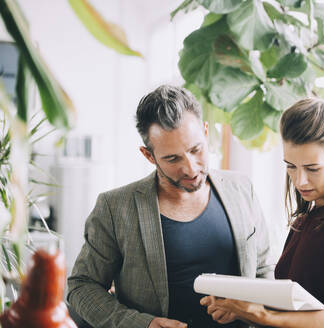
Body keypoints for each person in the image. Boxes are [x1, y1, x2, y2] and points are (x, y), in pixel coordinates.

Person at [67, 85, 274, 328]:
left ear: (205, 132)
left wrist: (249, 309)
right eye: (172, 158)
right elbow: (82, 286)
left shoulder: (242, 189)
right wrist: (142, 324)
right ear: (149, 156)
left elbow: (264, 271)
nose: (191, 168)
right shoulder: (115, 208)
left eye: (196, 150)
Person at [201, 98, 324, 328]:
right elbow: (295, 309)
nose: (300, 181)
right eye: (291, 166)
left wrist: (263, 316)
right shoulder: (307, 219)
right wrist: (242, 310)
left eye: (313, 169)